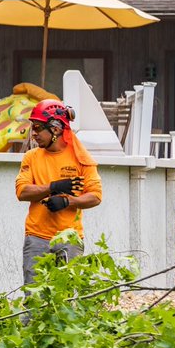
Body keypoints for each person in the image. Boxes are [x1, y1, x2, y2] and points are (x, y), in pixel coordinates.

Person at [14, 99, 103, 285]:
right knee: (34, 297)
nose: (34, 134)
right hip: (36, 237)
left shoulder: (80, 158)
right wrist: (53, 187)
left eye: (38, 128)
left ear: (56, 129)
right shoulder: (31, 157)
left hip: (70, 238)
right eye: (33, 128)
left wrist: (68, 202)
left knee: (67, 298)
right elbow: (22, 192)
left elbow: (95, 196)